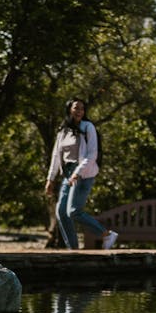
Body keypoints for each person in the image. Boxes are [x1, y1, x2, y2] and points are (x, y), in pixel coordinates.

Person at [45, 98, 118, 251]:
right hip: (68, 174)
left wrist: (77, 173)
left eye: (82, 109)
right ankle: (73, 250)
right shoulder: (63, 131)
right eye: (76, 108)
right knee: (61, 213)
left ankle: (106, 234)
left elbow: (92, 154)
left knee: (73, 211)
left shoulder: (88, 127)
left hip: (84, 173)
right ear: (69, 110)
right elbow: (56, 156)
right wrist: (50, 179)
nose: (79, 112)